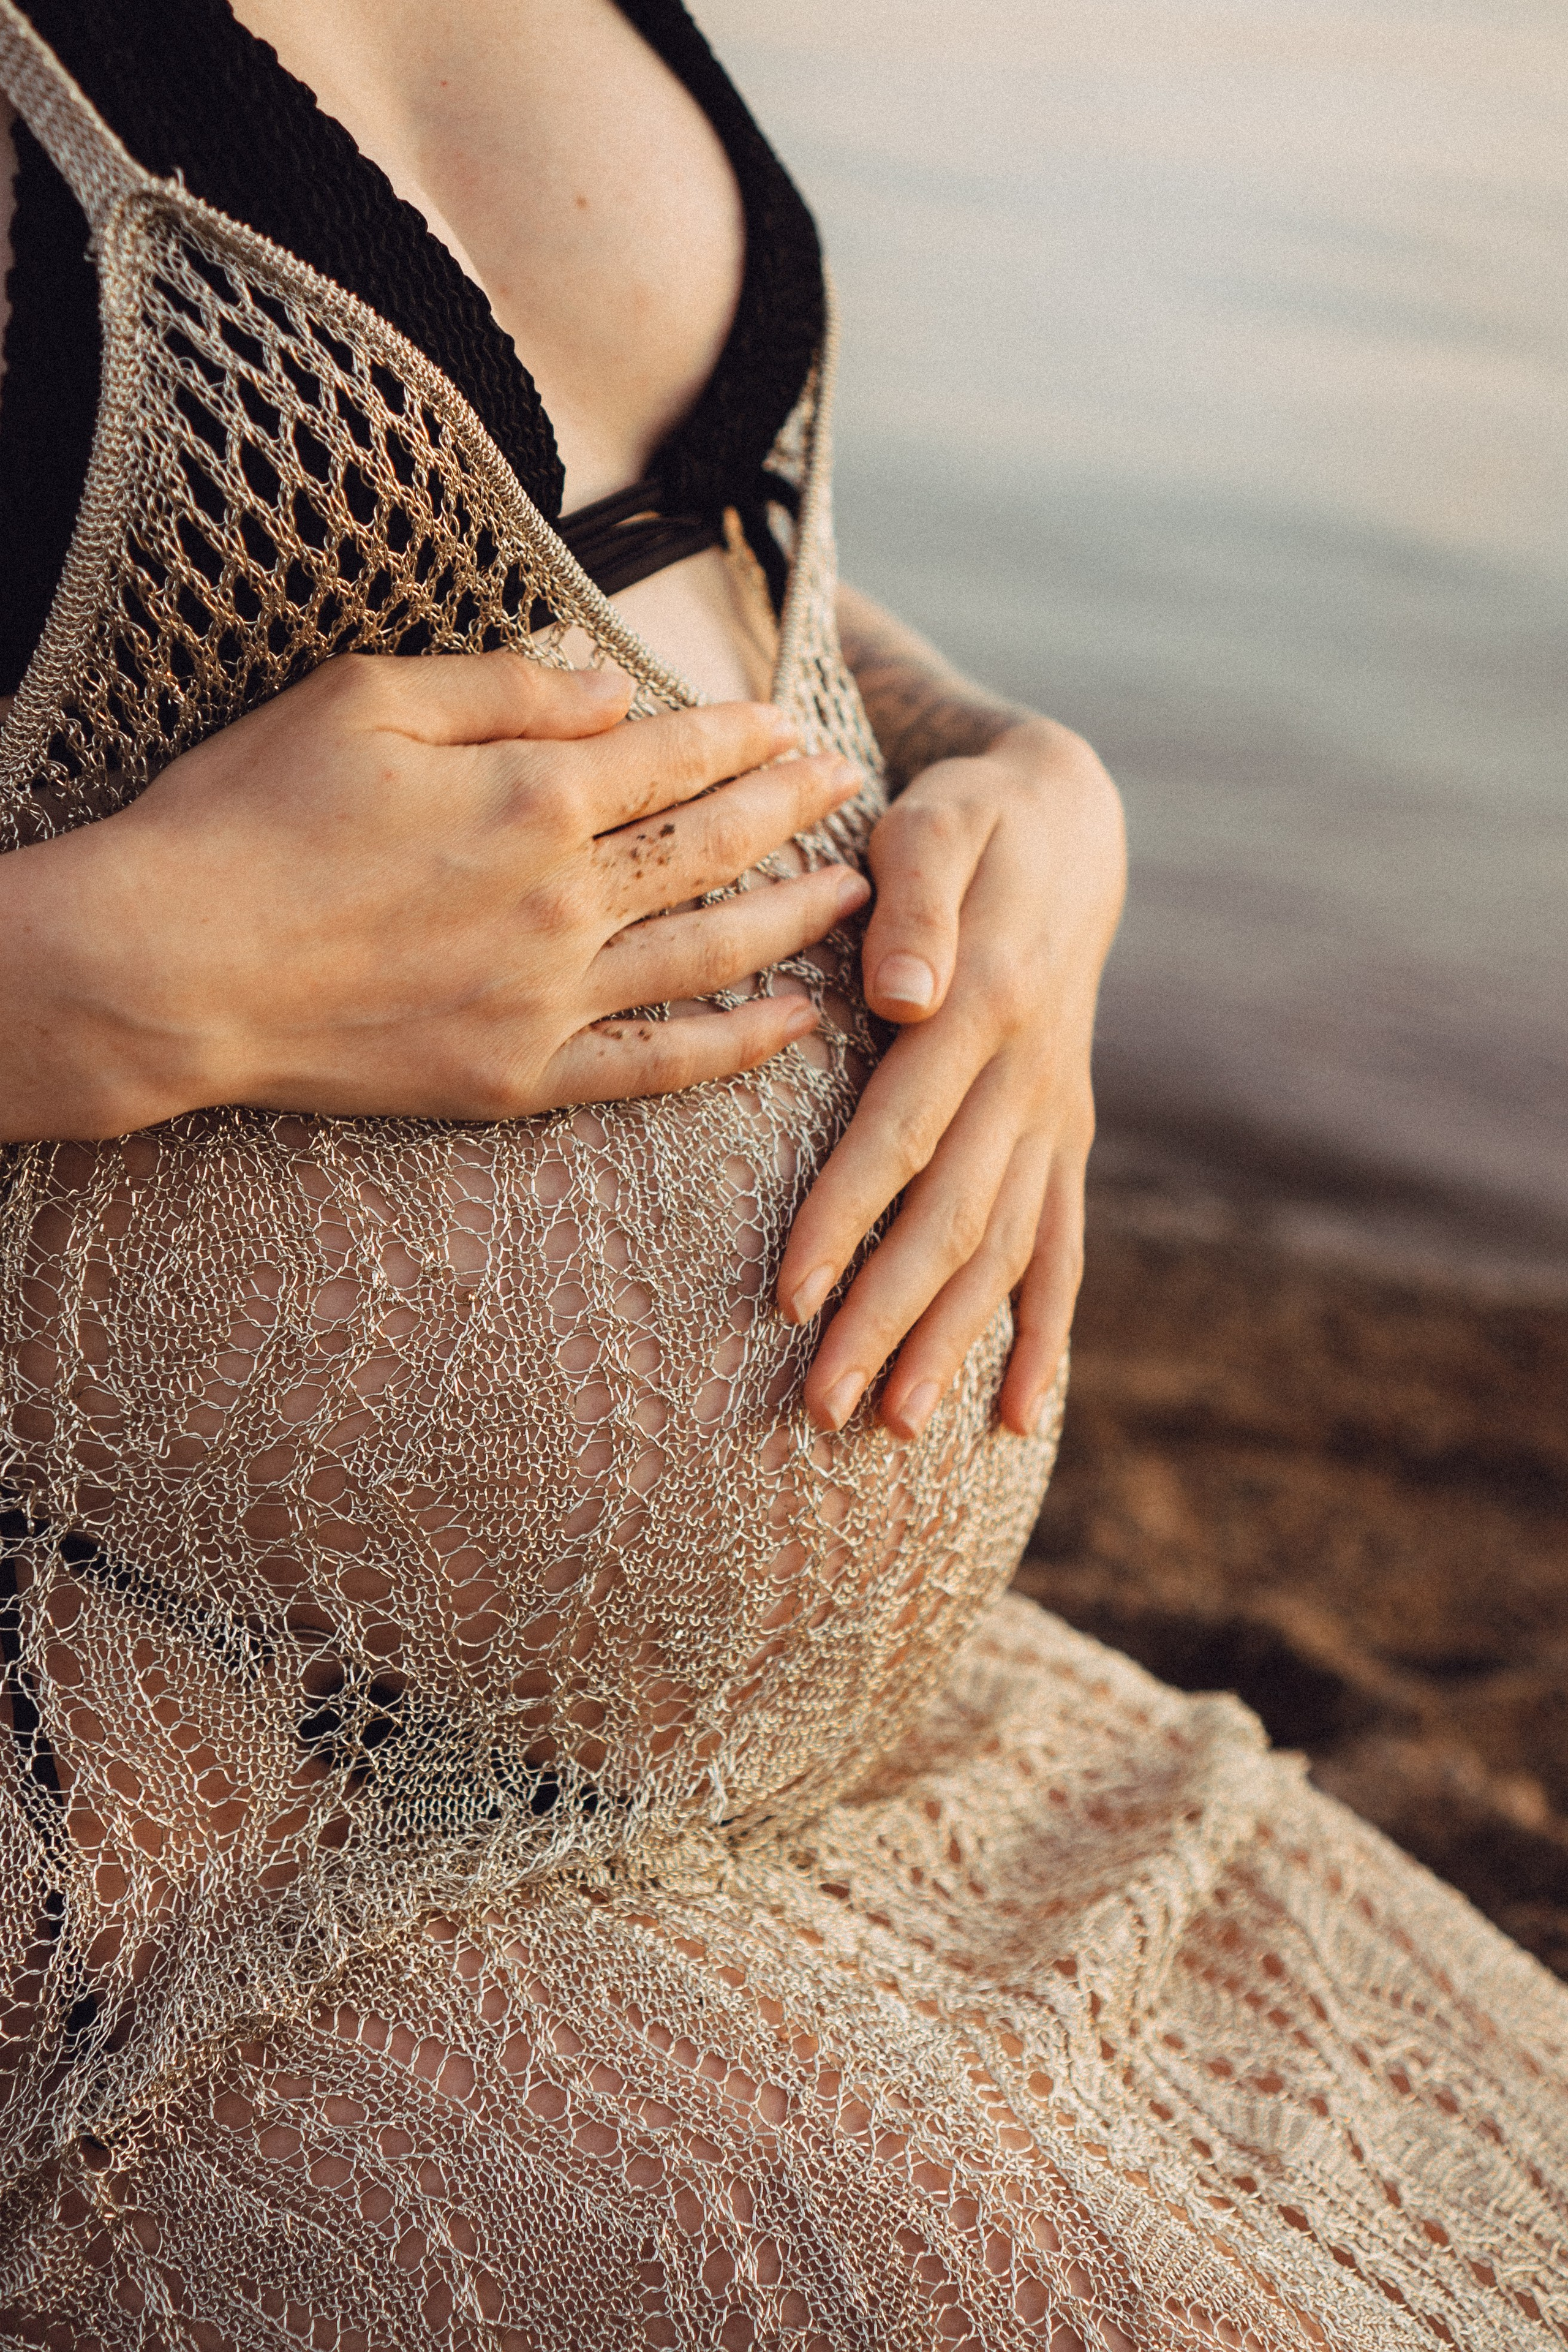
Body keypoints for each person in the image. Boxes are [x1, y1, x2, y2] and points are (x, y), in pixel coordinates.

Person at [0, 3, 1563, 2346]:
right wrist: (86, 983)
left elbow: (670, 547)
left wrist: (1029, 779)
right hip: (175, 1804)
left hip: (898, 1747)